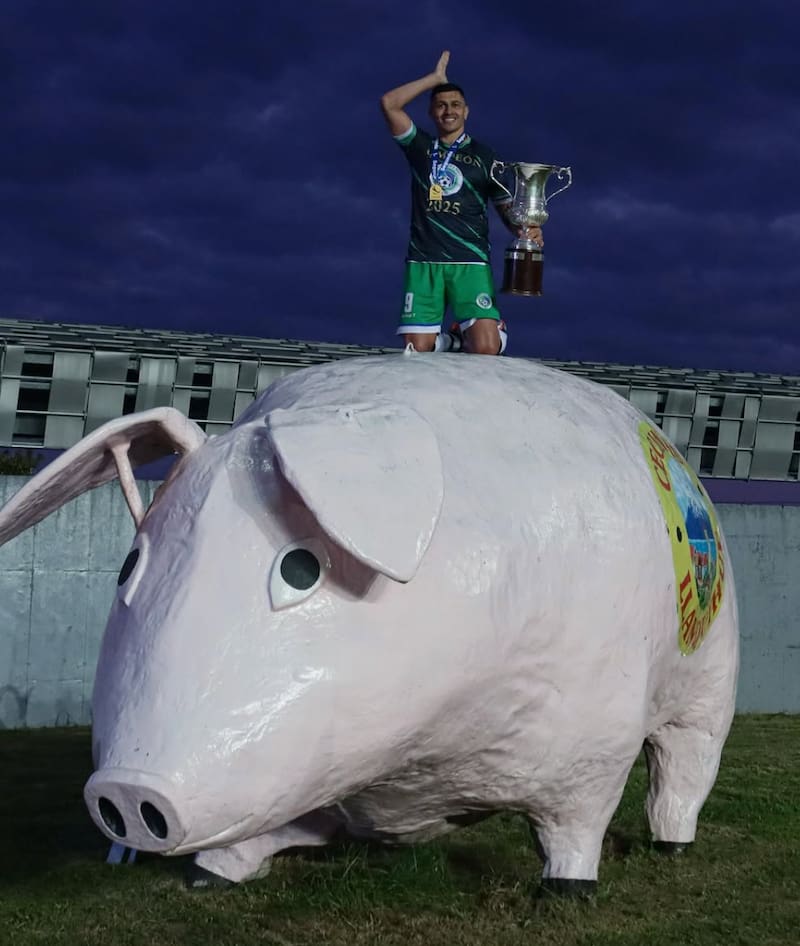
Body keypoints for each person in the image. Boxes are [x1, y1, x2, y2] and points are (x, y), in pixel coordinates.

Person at [380, 51, 543, 355]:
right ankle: (453, 340)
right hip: (424, 261)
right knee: (417, 351)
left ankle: (490, 332)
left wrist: (525, 229)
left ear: (466, 111)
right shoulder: (419, 147)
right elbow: (389, 103)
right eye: (441, 105)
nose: (448, 111)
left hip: (470, 260)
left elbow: (504, 203)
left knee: (485, 349)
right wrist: (433, 79)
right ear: (431, 111)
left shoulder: (485, 156)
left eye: (455, 105)